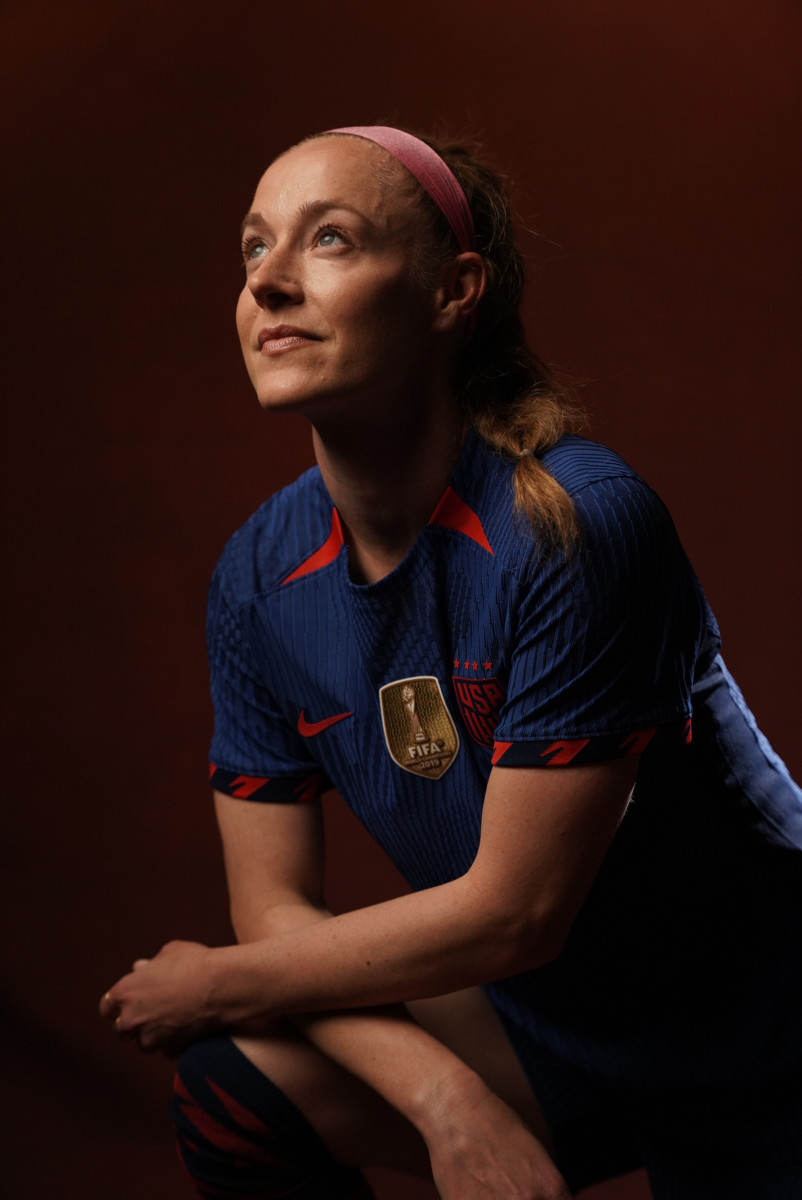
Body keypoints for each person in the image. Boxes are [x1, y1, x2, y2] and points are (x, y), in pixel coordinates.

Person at [100, 126, 802, 1200]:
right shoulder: (255, 577)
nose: (269, 284)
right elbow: (276, 906)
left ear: (450, 290)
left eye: (328, 239)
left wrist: (220, 982)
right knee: (235, 1085)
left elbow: (517, 911)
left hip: (763, 1036)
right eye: (251, 249)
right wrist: (442, 1097)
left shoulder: (578, 523)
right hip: (548, 1029)